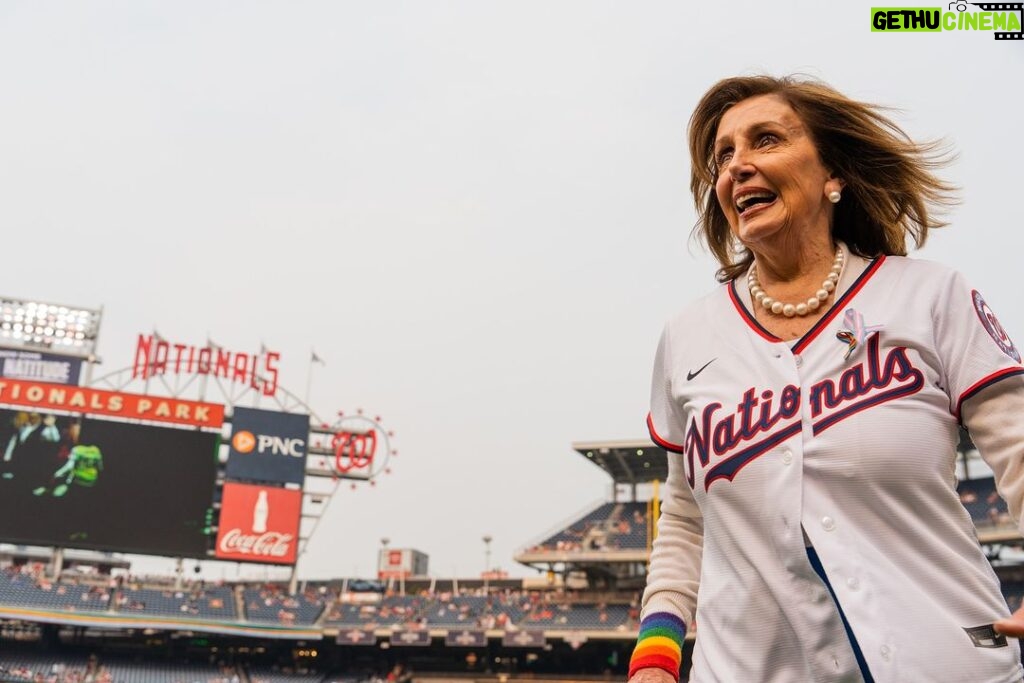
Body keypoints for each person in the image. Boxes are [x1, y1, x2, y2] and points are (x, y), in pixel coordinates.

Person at [627, 75, 1024, 682]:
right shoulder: (689, 335)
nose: (739, 167)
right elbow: (686, 517)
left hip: (940, 661)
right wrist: (655, 658)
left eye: (766, 140)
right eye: (724, 157)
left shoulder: (929, 294)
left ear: (832, 176)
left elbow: (1019, 445)